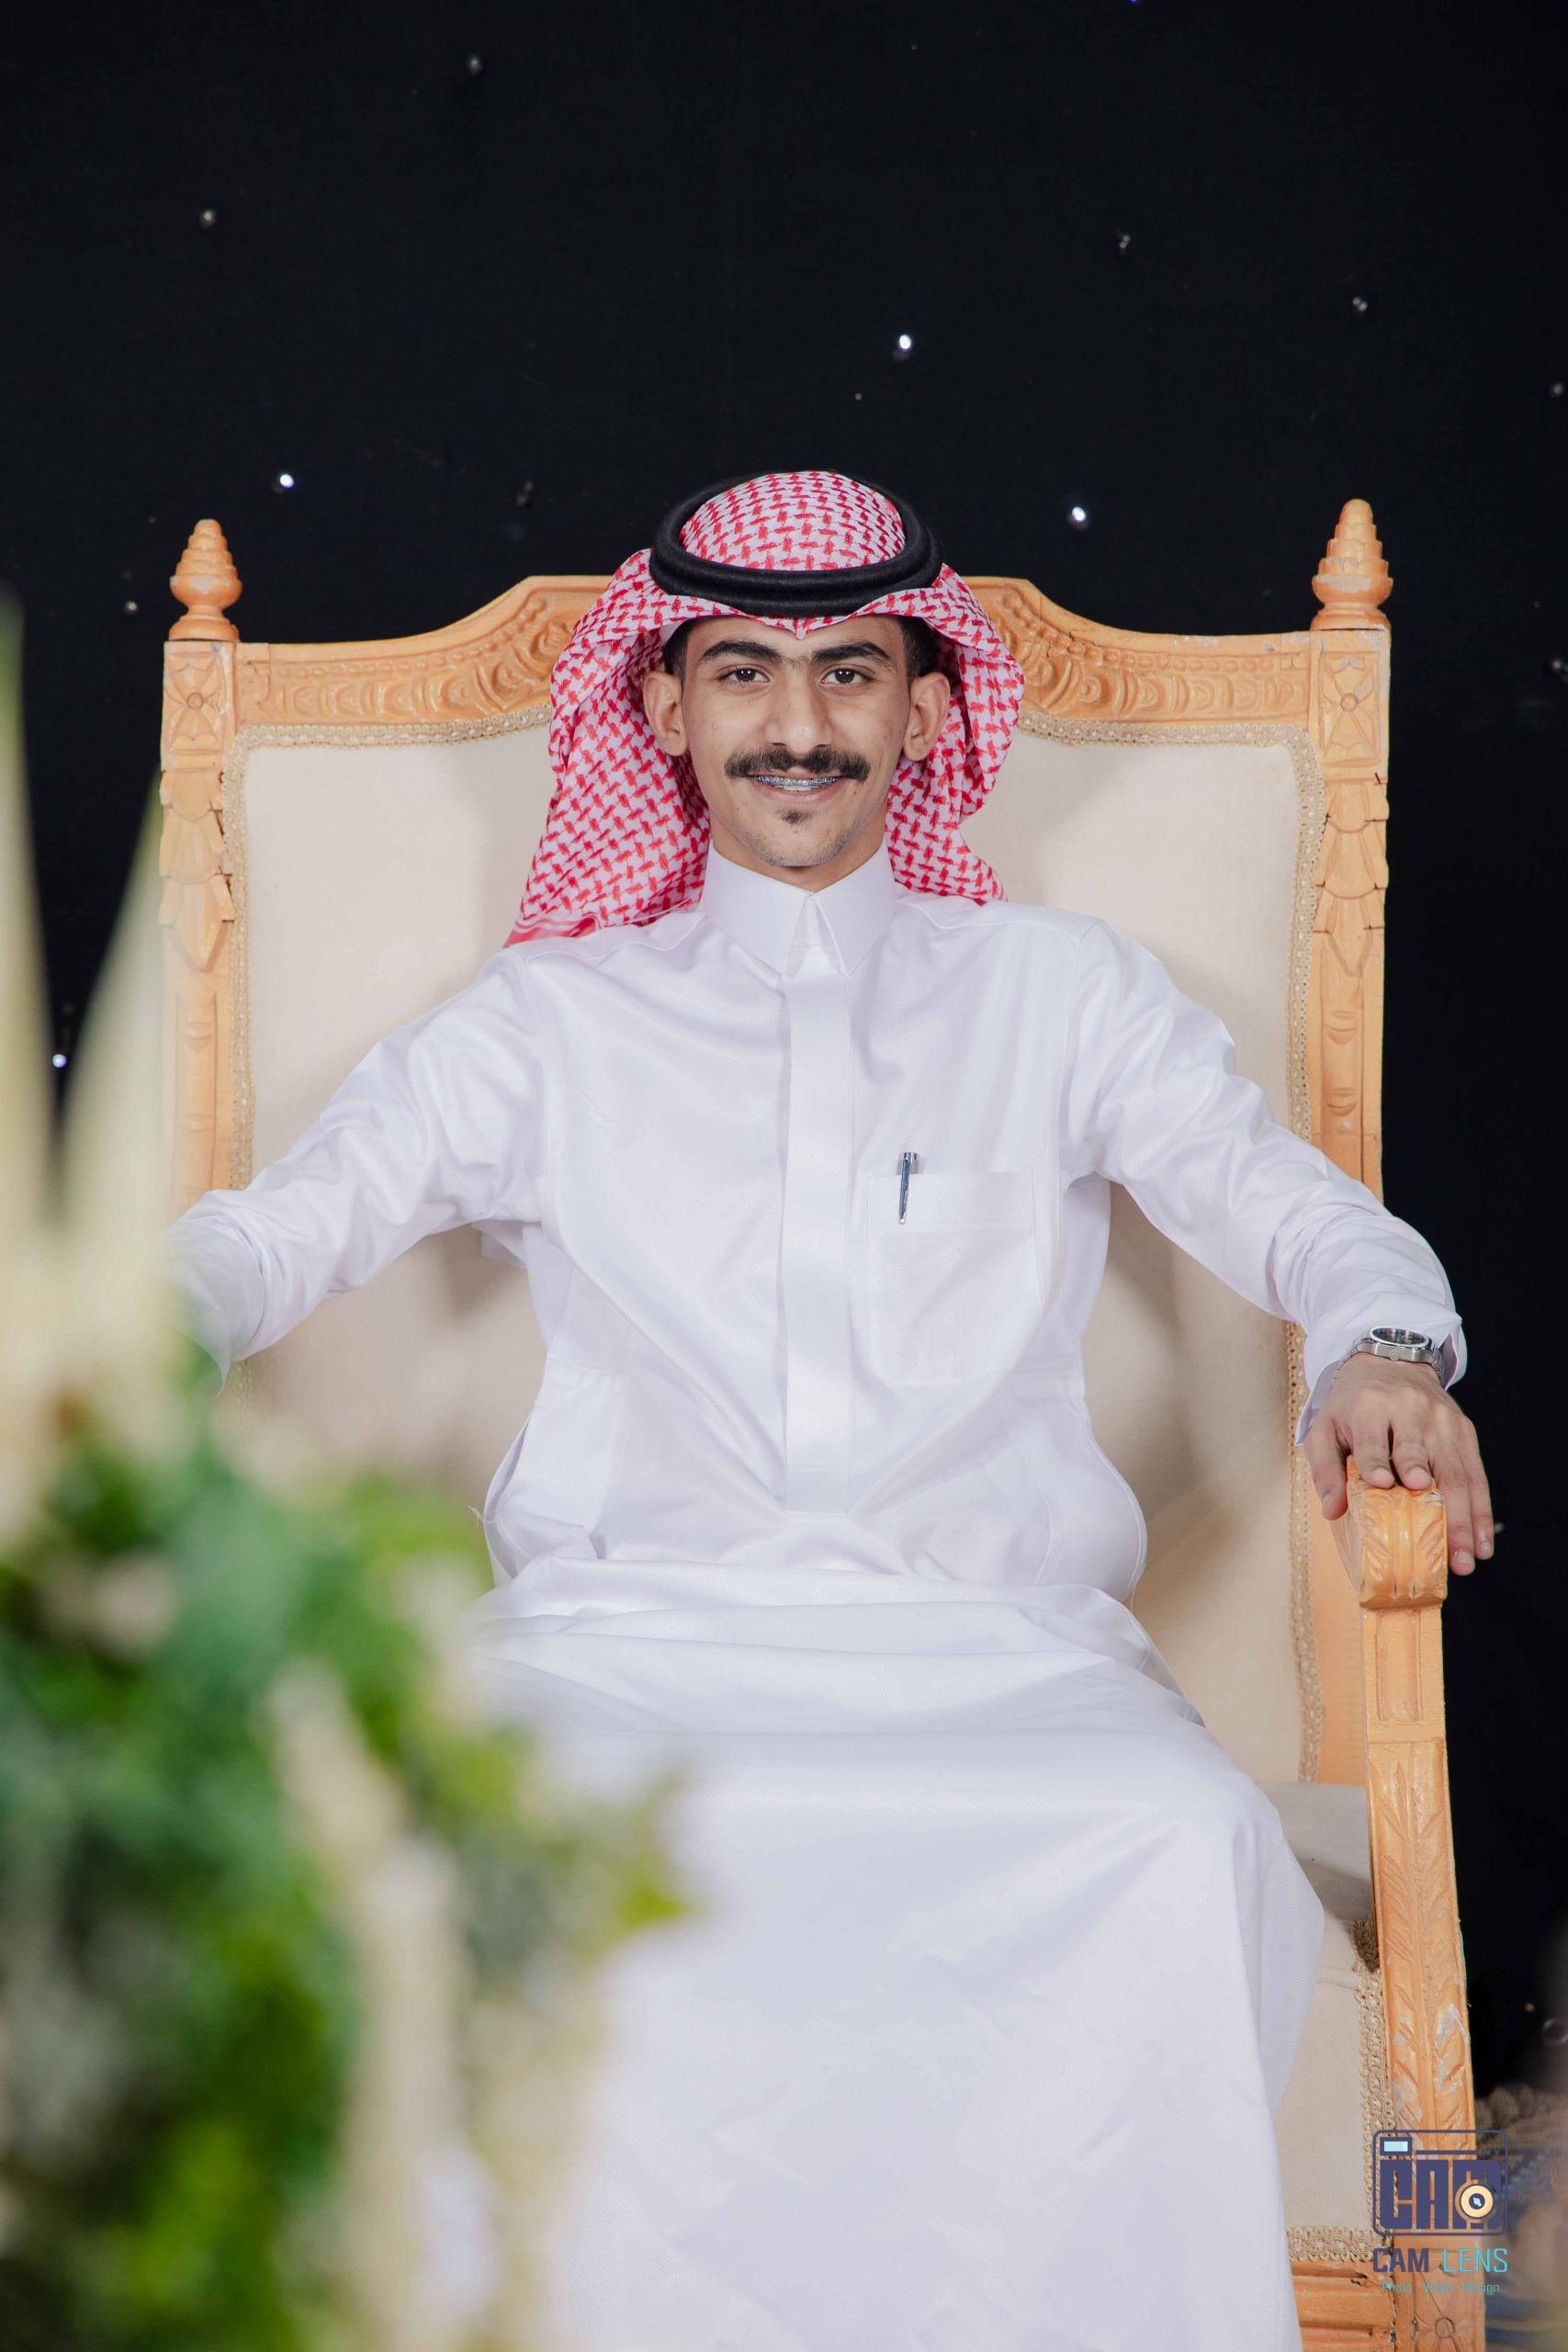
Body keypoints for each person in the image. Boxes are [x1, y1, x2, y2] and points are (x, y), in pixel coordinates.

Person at [162, 469, 1492, 2352]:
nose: (797, 726)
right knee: (452, 1850)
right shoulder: (548, 1019)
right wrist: (109, 1350)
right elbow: (279, 1232)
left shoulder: (1060, 995)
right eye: (743, 674)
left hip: (997, 1659)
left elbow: (1297, 1210)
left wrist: (1386, 1342)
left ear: (929, 707)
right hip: (615, 1653)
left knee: (1169, 1830)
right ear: (661, 705)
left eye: (848, 672)